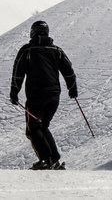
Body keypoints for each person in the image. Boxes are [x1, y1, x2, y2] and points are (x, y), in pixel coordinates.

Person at [9, 20, 78, 170]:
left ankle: (46, 160)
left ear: (32, 33)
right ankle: (54, 160)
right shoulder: (57, 50)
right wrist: (72, 90)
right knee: (43, 126)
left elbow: (18, 74)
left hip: (36, 96)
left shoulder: (27, 50)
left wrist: (14, 93)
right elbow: (69, 72)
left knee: (33, 129)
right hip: (54, 96)